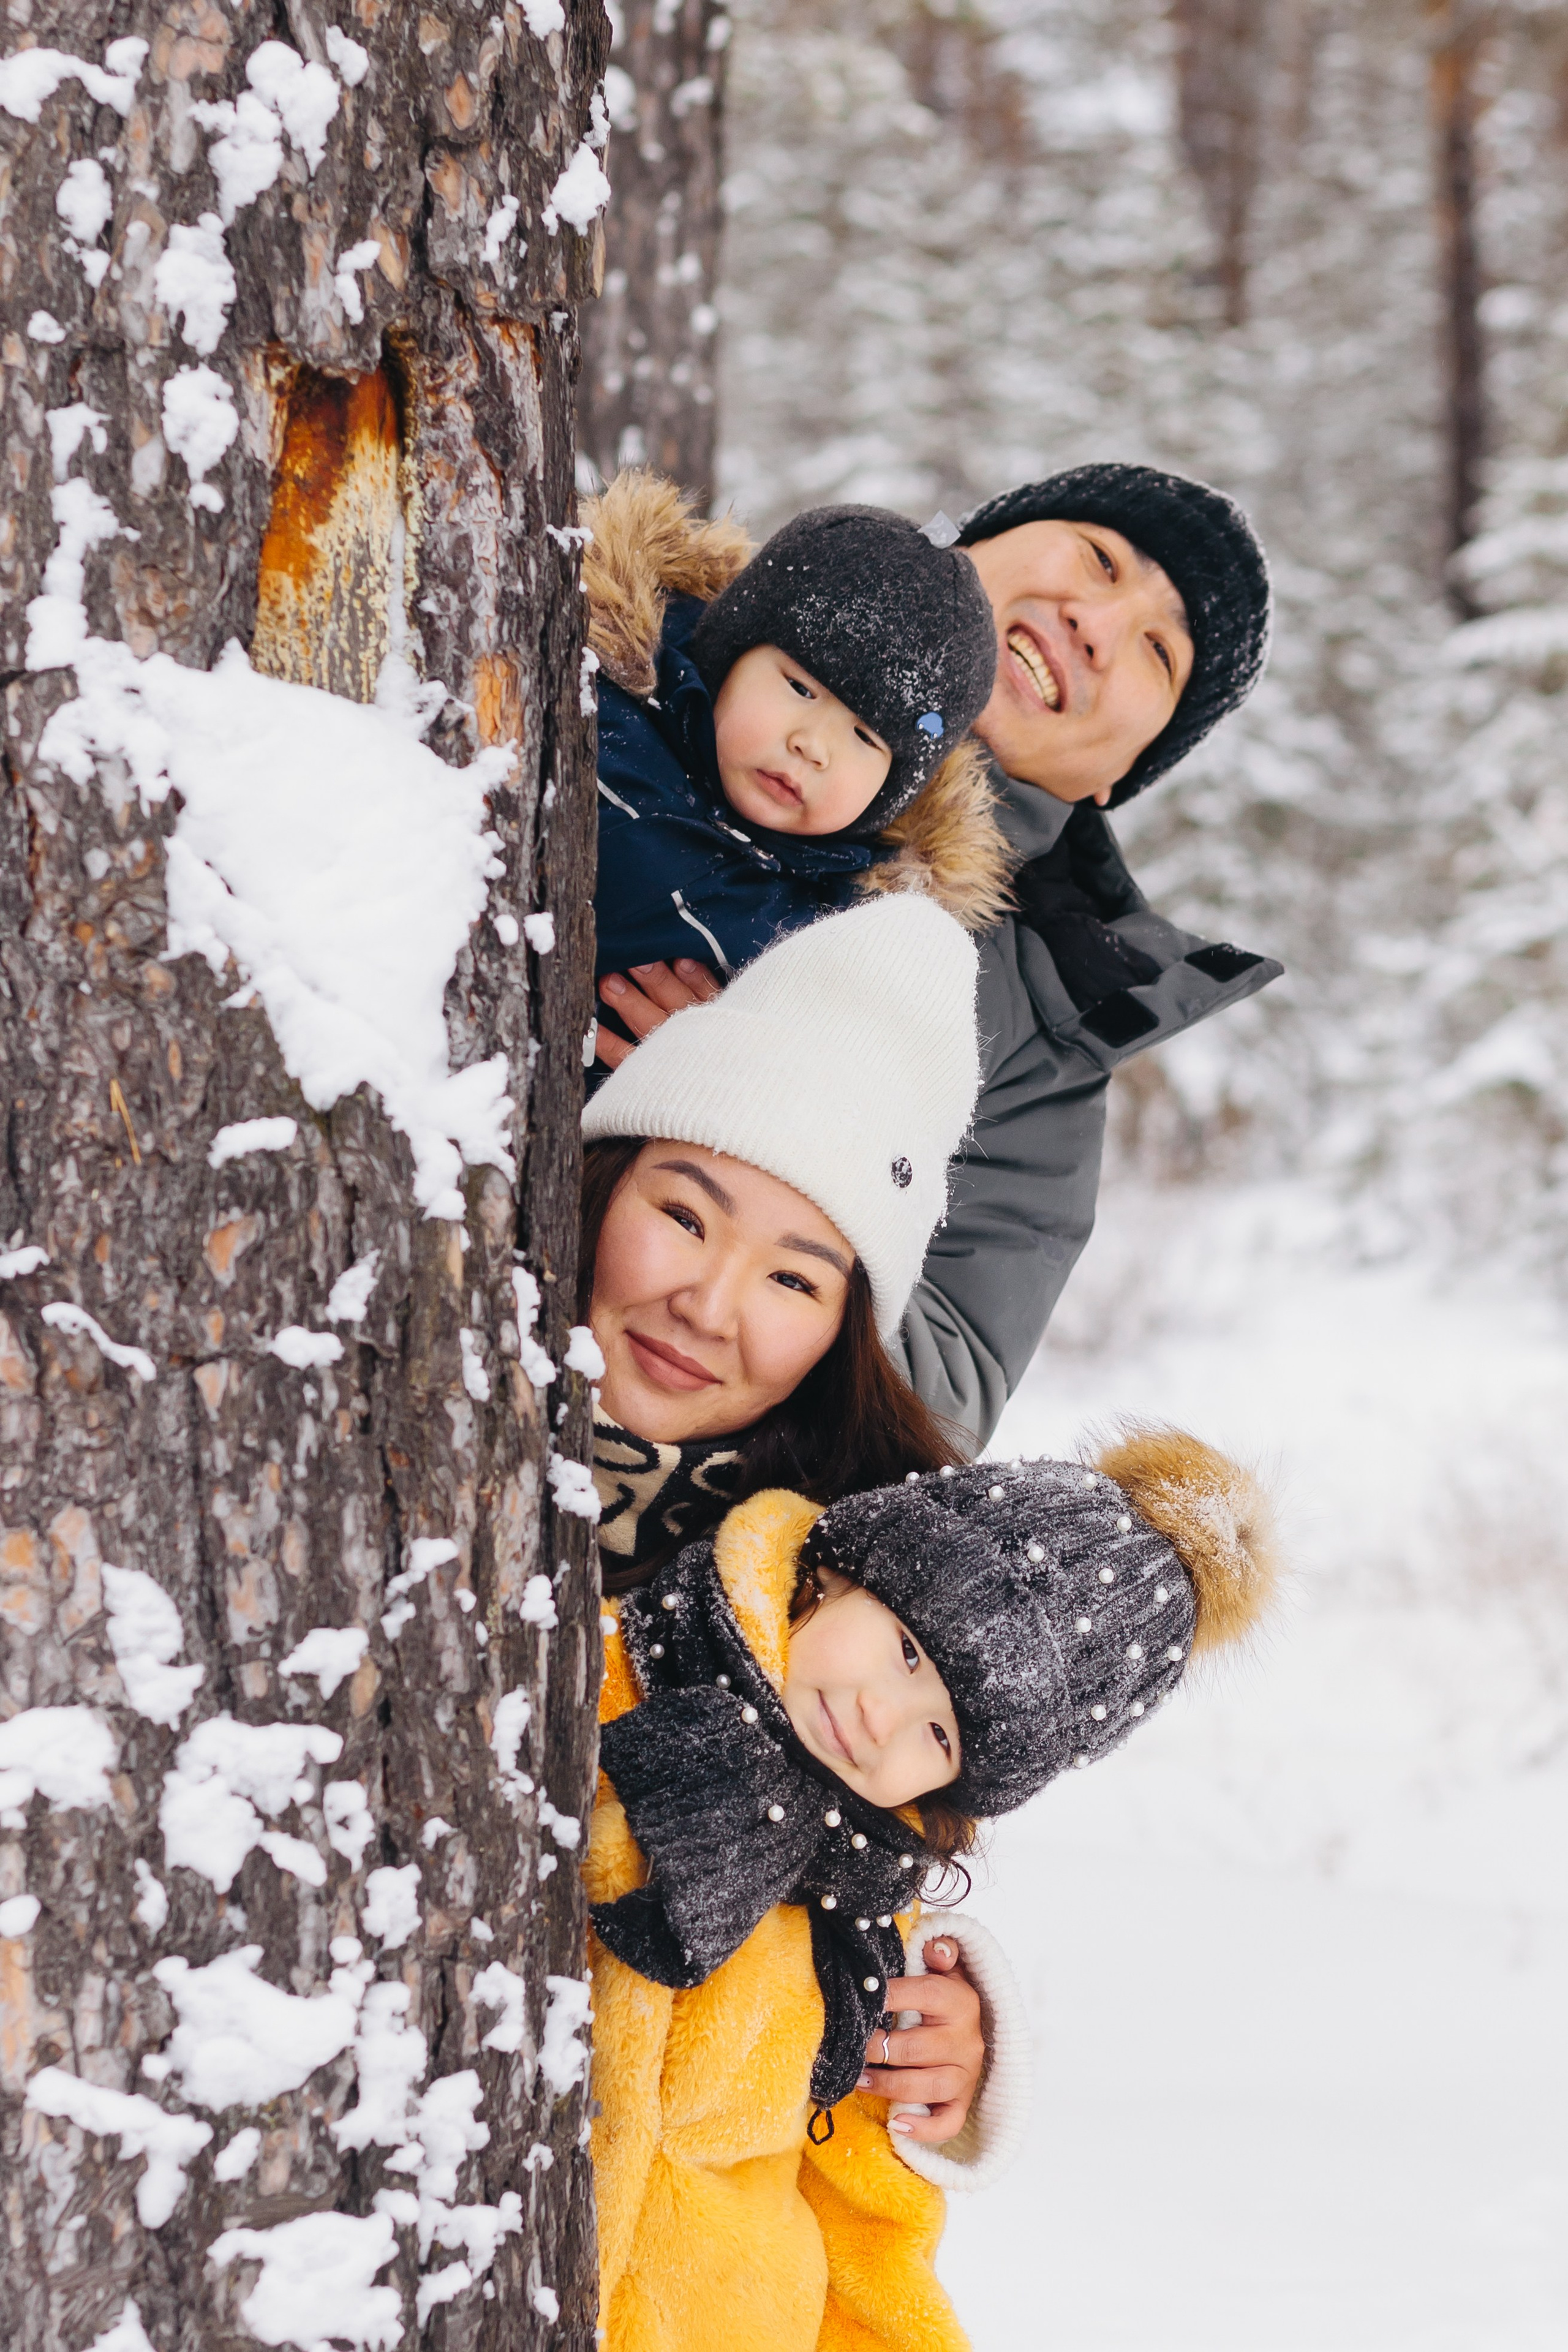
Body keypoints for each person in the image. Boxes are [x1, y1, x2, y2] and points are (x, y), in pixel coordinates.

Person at [594, 466, 1284, 1446]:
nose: (1099, 623)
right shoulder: (640, 643)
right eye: (1098, 558)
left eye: (1158, 655)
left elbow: (937, 1412)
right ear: (970, 542)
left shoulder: (1048, 1029)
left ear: (1121, 777)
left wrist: (755, 1131)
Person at [580, 891, 997, 2171]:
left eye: (793, 1277)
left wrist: (958, 2030)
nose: (703, 1305)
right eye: (683, 1213)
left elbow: (885, 1853)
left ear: (842, 1334)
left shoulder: (828, 1581)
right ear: (599, 1180)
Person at [584, 470, 1010, 1035]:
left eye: (865, 738)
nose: (812, 747)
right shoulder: (601, 709)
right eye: (800, 689)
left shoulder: (835, 935)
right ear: (727, 656)